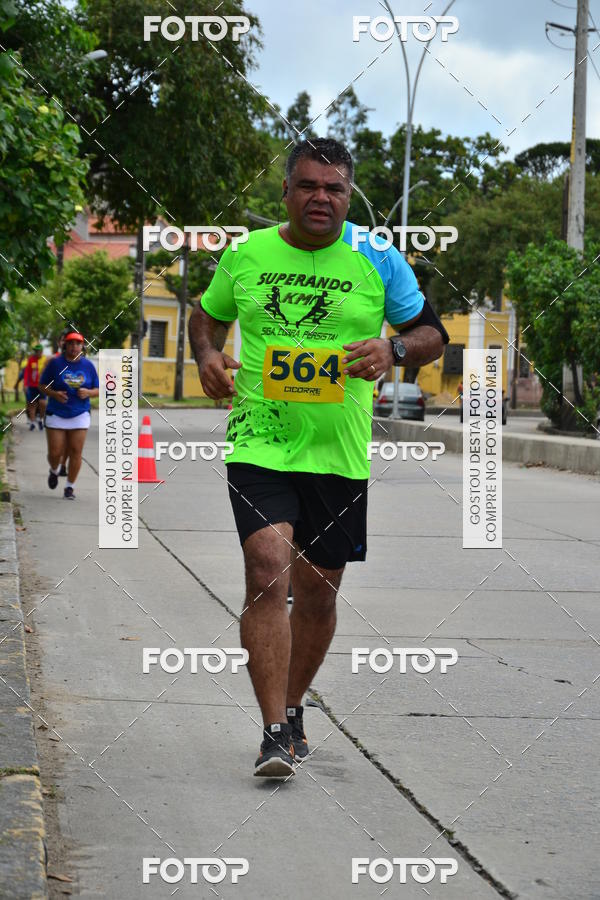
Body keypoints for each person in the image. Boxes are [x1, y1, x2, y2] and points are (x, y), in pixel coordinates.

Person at [189, 138, 449, 778]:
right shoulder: (247, 254)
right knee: (266, 565)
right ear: (286, 191)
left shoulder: (378, 258)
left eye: (334, 188)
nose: (320, 198)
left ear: (349, 195)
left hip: (337, 454)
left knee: (318, 595)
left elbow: (433, 335)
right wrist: (205, 356)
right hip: (259, 439)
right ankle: (273, 730)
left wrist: (394, 350)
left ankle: (295, 706)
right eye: (308, 186)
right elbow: (206, 316)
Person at [39, 331, 99, 500]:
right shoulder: (55, 363)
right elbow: (42, 386)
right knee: (55, 453)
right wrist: (54, 394)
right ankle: (54, 470)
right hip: (56, 413)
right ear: (65, 344)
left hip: (79, 414)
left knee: (75, 451)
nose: (74, 347)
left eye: (78, 344)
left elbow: (98, 390)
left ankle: (69, 487)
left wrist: (88, 392)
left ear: (82, 346)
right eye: (71, 343)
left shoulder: (88, 366)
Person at [16, 344, 46, 431]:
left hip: (42, 385)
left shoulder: (45, 360)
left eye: (38, 351)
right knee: (32, 404)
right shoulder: (31, 360)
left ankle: (41, 419)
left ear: (41, 351)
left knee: (42, 403)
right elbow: (26, 373)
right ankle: (32, 423)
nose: (37, 353)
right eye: (35, 351)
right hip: (32, 386)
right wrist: (25, 385)